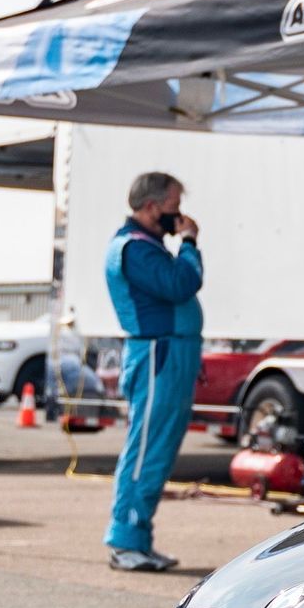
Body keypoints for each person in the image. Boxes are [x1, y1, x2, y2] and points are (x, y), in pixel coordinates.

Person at [101, 171, 203, 570]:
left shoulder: (147, 246)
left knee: (157, 451)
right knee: (146, 451)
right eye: (174, 207)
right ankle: (125, 539)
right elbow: (181, 284)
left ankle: (137, 538)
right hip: (158, 356)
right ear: (151, 206)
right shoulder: (135, 249)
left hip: (170, 355)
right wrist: (189, 241)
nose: (180, 215)